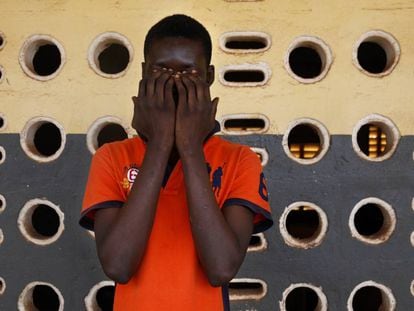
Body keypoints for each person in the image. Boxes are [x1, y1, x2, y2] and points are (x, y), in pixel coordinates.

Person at [79, 14, 273, 311]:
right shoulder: (112, 157)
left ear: (208, 76)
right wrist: (159, 143)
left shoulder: (239, 161)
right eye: (162, 70)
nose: (174, 82)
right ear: (144, 73)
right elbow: (118, 265)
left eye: (188, 72)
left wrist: (190, 146)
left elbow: (221, 268)